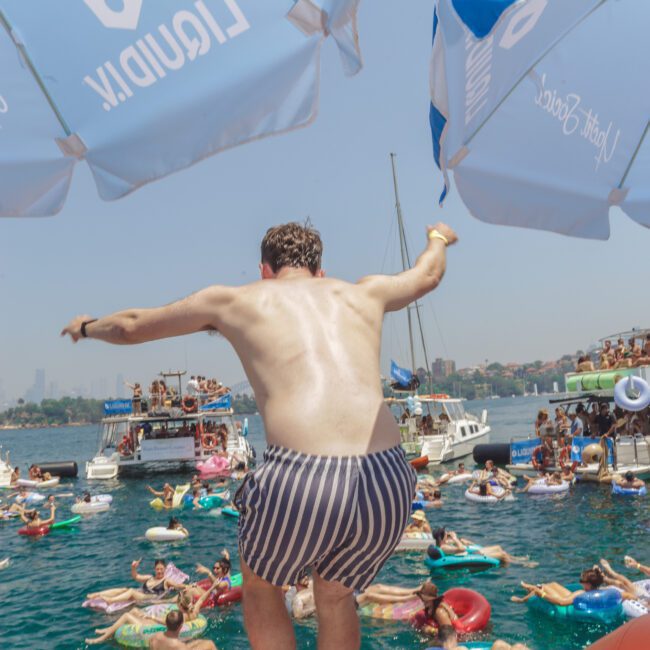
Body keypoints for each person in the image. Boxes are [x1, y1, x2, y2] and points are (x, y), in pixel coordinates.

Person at [62, 220, 457, 650]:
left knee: (261, 586)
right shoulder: (365, 292)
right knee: (336, 594)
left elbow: (132, 326)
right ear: (320, 271)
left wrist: (86, 327)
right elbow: (428, 275)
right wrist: (438, 238)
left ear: (264, 269)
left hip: (304, 472)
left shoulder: (238, 298)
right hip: (388, 476)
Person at [86, 584, 216, 645]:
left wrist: (151, 617)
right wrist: (212, 587)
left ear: (180, 605)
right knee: (135, 611)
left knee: (127, 616)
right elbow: (203, 597)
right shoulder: (194, 611)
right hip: (156, 623)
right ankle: (109, 629)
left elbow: (166, 623)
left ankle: (102, 638)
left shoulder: (180, 615)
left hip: (151, 627)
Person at [87, 559, 184, 604]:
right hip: (142, 594)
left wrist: (189, 586)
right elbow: (136, 576)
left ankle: (111, 600)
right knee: (125, 589)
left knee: (132, 591)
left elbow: (178, 585)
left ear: (165, 569)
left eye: (161, 569)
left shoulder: (166, 581)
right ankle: (97, 594)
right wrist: (133, 568)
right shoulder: (150, 577)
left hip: (150, 598)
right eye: (157, 569)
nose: (159, 571)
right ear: (154, 569)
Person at [431, 528, 536, 567]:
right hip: (470, 556)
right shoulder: (444, 547)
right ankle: (521, 564)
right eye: (445, 534)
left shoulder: (443, 544)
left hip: (471, 553)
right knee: (502, 555)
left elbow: (460, 546)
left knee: (498, 547)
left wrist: (464, 541)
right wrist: (455, 538)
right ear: (441, 538)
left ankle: (516, 559)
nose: (447, 535)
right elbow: (461, 549)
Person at [511, 567, 606, 605]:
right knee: (553, 584)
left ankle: (521, 600)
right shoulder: (598, 590)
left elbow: (561, 602)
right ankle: (531, 587)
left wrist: (542, 594)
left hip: (563, 599)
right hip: (569, 596)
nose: (580, 583)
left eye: (582, 581)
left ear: (589, 584)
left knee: (542, 588)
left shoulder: (581, 593)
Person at [149, 609, 217, 649]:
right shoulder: (180, 646)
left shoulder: (154, 638)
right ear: (181, 626)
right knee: (210, 644)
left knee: (200, 641)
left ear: (166, 623)